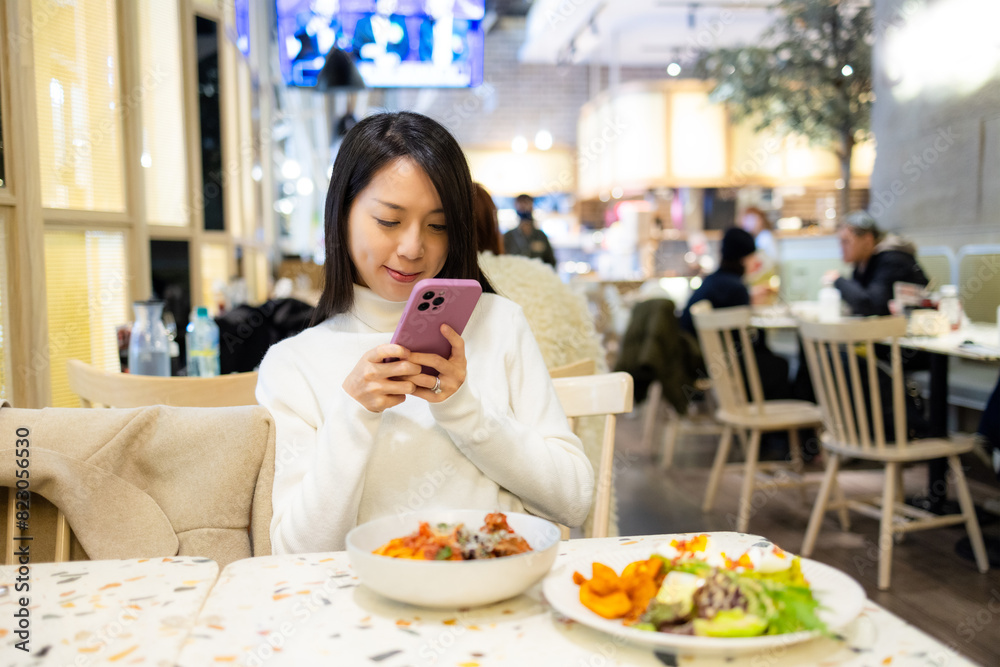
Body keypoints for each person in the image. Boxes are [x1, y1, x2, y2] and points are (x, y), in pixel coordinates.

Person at [256, 112, 594, 554]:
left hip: (494, 583)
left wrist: (464, 410)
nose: (413, 248)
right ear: (341, 216)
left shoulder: (499, 322)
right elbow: (295, 553)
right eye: (388, 221)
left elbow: (574, 500)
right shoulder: (293, 365)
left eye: (438, 226)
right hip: (367, 594)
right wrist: (354, 414)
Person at [471, 182, 613, 536]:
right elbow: (591, 367)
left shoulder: (447, 292)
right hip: (560, 460)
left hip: (494, 483)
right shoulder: (543, 279)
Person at [680, 228, 791, 402]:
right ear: (743, 259)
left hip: (698, 357)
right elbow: (747, 339)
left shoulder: (712, 280)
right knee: (779, 364)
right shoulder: (736, 288)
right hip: (717, 364)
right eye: (752, 256)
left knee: (772, 361)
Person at [823, 210, 929, 316]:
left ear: (867, 240)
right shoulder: (862, 264)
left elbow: (872, 306)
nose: (841, 248)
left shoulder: (892, 259)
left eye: (846, 241)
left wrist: (838, 280)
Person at [503, 194, 557, 267]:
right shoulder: (508, 237)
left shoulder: (541, 236)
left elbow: (551, 262)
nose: (524, 208)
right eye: (521, 206)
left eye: (527, 204)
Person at [352, 0, 410, 66]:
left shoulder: (399, 23)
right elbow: (356, 48)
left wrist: (395, 57)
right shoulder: (362, 24)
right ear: (376, 3)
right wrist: (364, 51)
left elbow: (404, 48)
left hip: (392, 68)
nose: (386, 5)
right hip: (368, 67)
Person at [418, 0, 469, 66]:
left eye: (435, 4)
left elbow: (465, 54)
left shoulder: (460, 25)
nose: (429, 8)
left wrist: (454, 67)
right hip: (431, 69)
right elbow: (423, 52)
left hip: (453, 69)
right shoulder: (426, 25)